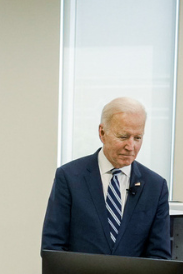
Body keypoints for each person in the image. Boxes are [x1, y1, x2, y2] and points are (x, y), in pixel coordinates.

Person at [42, 97, 171, 259]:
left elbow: (159, 256)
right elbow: (52, 247)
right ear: (102, 133)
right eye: (123, 137)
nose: (131, 146)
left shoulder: (155, 186)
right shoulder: (69, 177)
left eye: (137, 138)